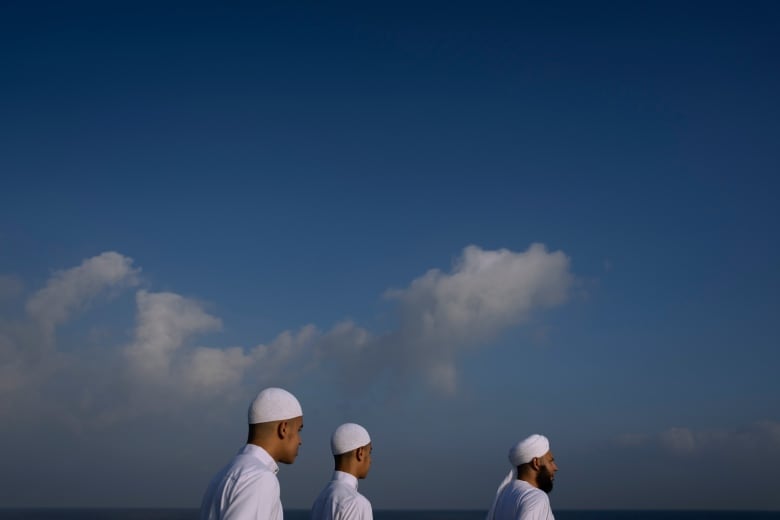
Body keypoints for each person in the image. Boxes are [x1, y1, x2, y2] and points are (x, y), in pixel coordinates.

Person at [200, 387, 304, 520]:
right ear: (283, 428)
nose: (299, 441)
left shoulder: (222, 475)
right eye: (298, 430)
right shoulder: (260, 478)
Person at [485, 434, 558, 520]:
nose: (555, 468)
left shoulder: (504, 495)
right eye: (550, 461)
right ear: (536, 463)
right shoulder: (536, 497)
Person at [311, 422, 374, 520]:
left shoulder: (319, 500)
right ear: (360, 453)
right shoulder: (356, 503)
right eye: (369, 452)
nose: (371, 460)